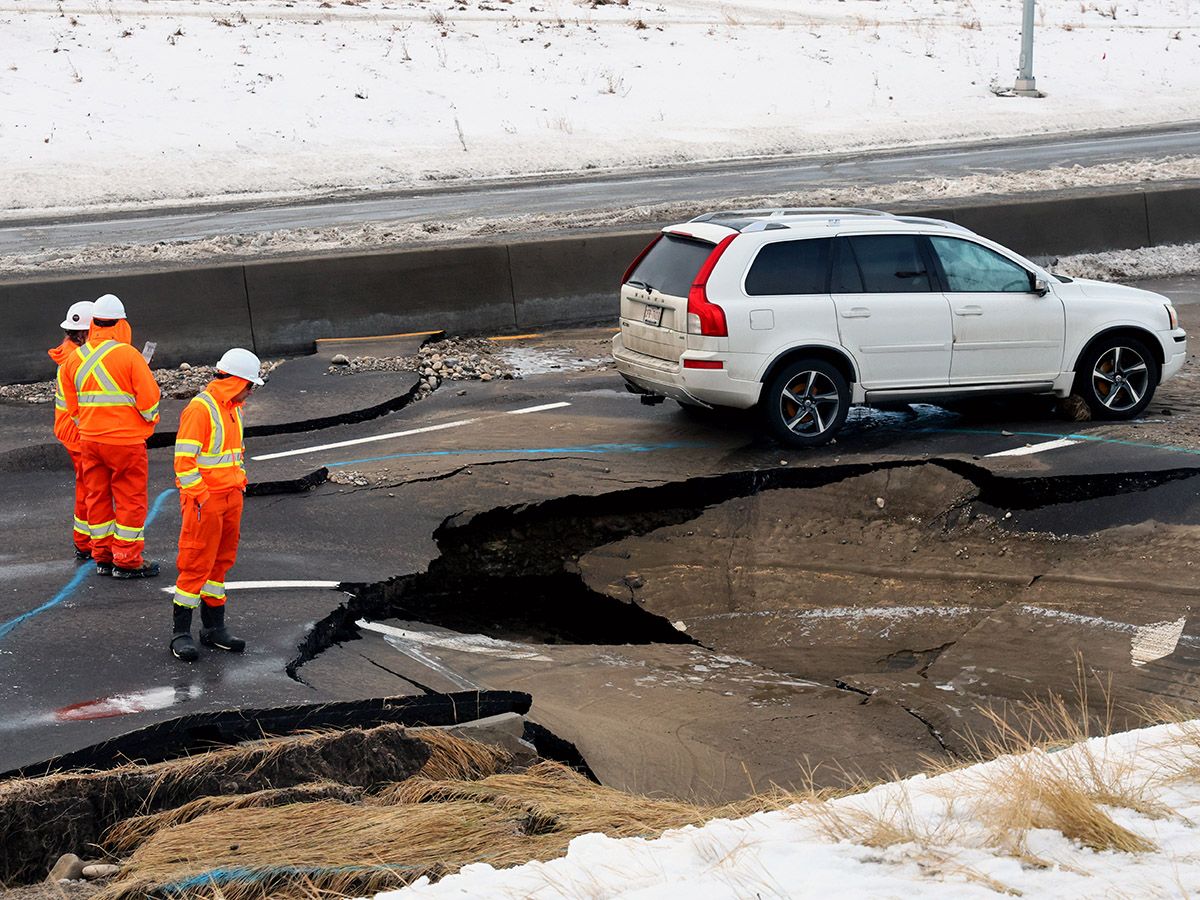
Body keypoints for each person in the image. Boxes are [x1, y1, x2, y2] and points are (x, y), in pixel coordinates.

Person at [169, 348, 263, 661]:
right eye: (250, 386)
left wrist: (238, 487)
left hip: (230, 496)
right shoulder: (201, 409)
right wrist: (204, 498)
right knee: (196, 563)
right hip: (205, 501)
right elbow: (184, 463)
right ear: (236, 382)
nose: (250, 393)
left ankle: (213, 629)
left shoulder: (233, 408)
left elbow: (234, 455)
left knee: (220, 563)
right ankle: (181, 634)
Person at [60, 294, 162, 578]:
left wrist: (91, 426)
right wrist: (147, 422)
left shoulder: (74, 359)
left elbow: (73, 408)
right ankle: (127, 559)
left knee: (97, 497)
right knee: (130, 498)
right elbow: (150, 402)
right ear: (121, 324)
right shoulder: (129, 356)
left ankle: (103, 555)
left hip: (90, 441)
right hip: (125, 442)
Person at [49, 301, 95, 561]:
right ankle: (85, 542)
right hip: (79, 433)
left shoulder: (69, 355)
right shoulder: (77, 360)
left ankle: (85, 540)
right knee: (90, 488)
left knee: (86, 485)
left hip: (70, 430)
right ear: (84, 333)